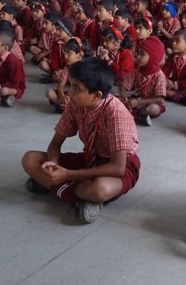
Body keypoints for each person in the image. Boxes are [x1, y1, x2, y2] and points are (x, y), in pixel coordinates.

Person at [21, 57, 141, 223]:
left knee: (100, 189)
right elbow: (55, 143)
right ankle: (77, 199)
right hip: (90, 158)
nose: (70, 93)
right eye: (71, 86)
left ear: (96, 95)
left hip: (120, 165)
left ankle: (59, 188)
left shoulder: (117, 114)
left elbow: (117, 168)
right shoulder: (75, 104)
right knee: (30, 159)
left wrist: (68, 174)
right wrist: (53, 165)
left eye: (77, 89)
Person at [121, 36, 166, 127]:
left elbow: (160, 99)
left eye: (142, 54)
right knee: (119, 102)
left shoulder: (159, 75)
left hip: (150, 103)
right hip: (137, 99)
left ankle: (135, 116)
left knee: (153, 109)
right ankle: (139, 116)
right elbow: (124, 85)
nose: (137, 56)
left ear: (153, 58)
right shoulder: (137, 70)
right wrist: (122, 96)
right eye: (138, 53)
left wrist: (139, 102)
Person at [162, 29, 186, 106]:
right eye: (173, 40)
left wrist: (176, 84)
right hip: (173, 85)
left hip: (185, 86)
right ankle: (180, 97)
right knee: (158, 85)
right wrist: (165, 80)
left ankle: (174, 95)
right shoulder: (172, 57)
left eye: (177, 41)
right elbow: (165, 71)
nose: (173, 43)